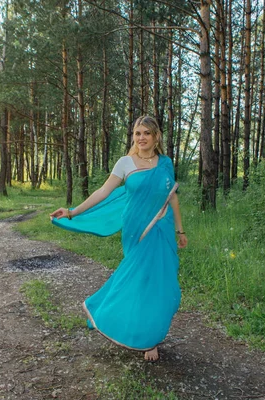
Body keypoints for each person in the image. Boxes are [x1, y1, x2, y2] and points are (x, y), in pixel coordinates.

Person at [50, 115, 187, 361]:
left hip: (161, 229)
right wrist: (72, 212)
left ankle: (150, 338)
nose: (141, 138)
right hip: (135, 229)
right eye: (137, 133)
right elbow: (103, 191)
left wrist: (180, 230)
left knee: (159, 283)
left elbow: (172, 198)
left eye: (146, 133)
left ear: (156, 136)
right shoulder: (125, 163)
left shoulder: (165, 163)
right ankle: (107, 313)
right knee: (136, 279)